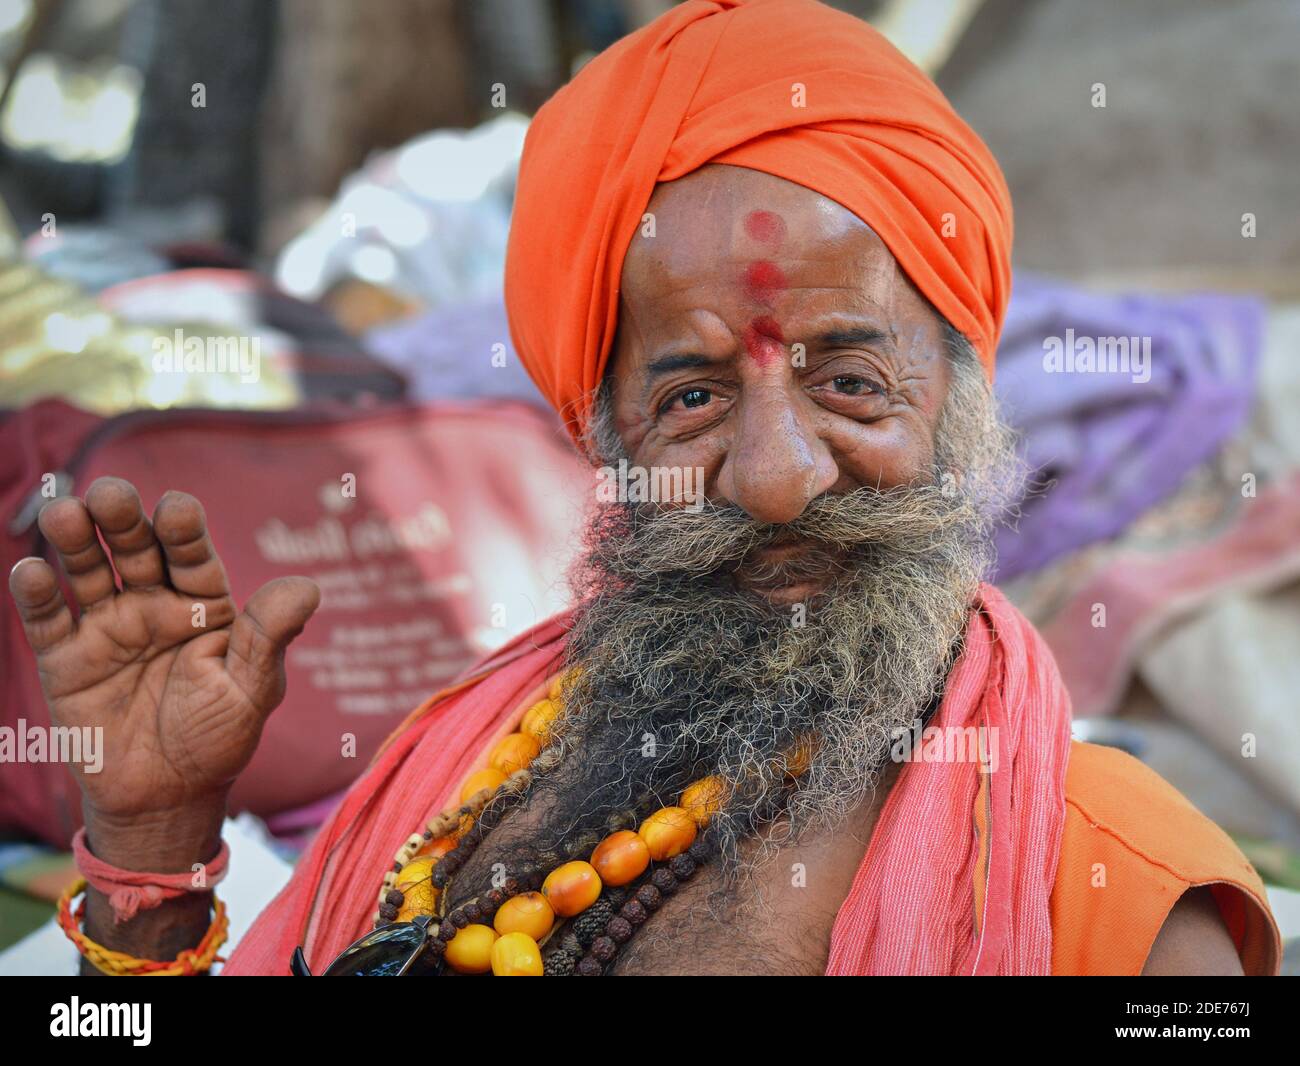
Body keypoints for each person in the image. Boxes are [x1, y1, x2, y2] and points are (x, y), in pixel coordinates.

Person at [8, 0, 1278, 976]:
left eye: (850, 383)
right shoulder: (453, 771)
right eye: (692, 398)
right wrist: (151, 848)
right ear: (602, 434)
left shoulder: (1123, 899)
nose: (777, 481)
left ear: (961, 397)